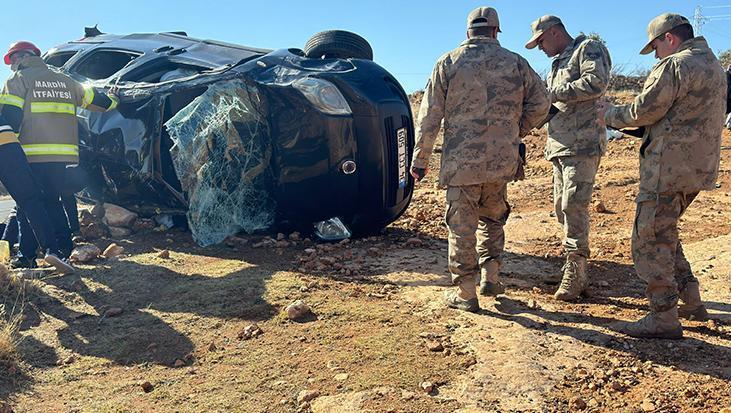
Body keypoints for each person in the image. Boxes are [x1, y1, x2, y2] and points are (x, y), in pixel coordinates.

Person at [411, 6, 550, 312]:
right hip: (503, 160)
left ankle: (465, 293)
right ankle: (492, 276)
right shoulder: (516, 62)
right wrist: (515, 130)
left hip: (462, 163)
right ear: (496, 31)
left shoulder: (448, 62)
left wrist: (420, 159)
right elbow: (542, 103)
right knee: (493, 218)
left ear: (467, 32)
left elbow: (429, 116)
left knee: (462, 226)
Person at [598, 13, 725, 338]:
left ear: (670, 38)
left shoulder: (675, 65)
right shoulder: (712, 65)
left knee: (649, 240)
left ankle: (663, 317)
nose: (655, 55)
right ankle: (692, 301)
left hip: (667, 168)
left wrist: (609, 115)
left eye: (655, 46)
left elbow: (644, 111)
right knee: (665, 231)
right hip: (697, 168)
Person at [0, 41, 118, 267]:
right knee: (53, 201)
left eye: (14, 59)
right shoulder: (67, 81)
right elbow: (100, 102)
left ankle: (27, 257)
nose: (12, 65)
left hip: (30, 154)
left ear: (24, 57)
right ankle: (63, 249)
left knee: (28, 204)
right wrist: (114, 98)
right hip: (64, 156)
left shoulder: (18, 80)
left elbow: (12, 120)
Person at [525, 15, 612, 301]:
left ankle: (576, 272)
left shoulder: (587, 48)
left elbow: (595, 83)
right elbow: (556, 105)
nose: (539, 48)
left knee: (574, 206)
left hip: (583, 144)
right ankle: (574, 267)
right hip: (560, 146)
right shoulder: (557, 62)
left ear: (553, 33)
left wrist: (551, 93)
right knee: (561, 208)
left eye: (540, 41)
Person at [0, 113, 74, 273]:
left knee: (30, 200)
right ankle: (52, 250)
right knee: (30, 200)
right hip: (5, 140)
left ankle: (28, 255)